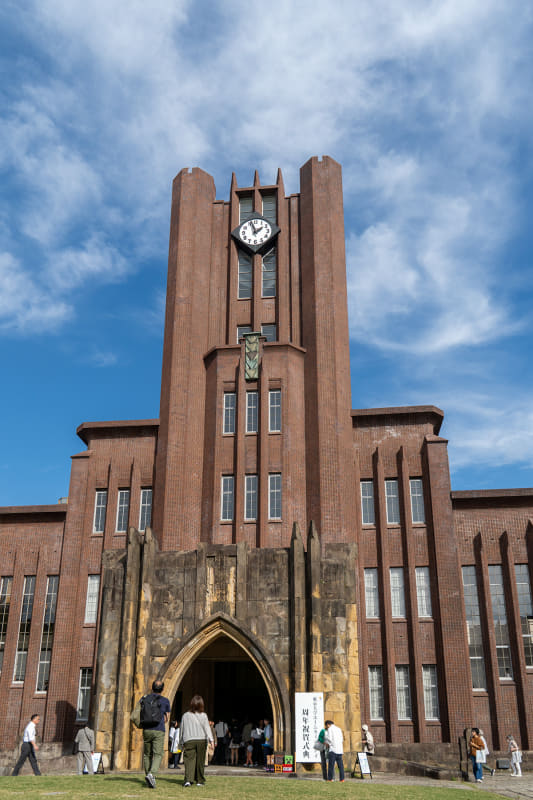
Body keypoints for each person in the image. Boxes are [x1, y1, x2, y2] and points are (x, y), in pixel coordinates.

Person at [141, 679, 171, 789]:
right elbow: (167, 718)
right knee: (158, 754)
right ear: (162, 689)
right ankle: (151, 774)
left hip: (146, 729)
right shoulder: (165, 701)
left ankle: (148, 776)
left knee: (147, 754)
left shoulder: (144, 698)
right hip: (158, 729)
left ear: (152, 688)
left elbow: (141, 712)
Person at [179, 694, 213, 787]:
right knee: (200, 761)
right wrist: (211, 740)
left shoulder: (185, 715)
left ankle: (188, 780)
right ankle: (199, 780)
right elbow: (207, 728)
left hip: (189, 740)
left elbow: (182, 729)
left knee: (189, 760)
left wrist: (180, 742)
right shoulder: (204, 715)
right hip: (201, 739)